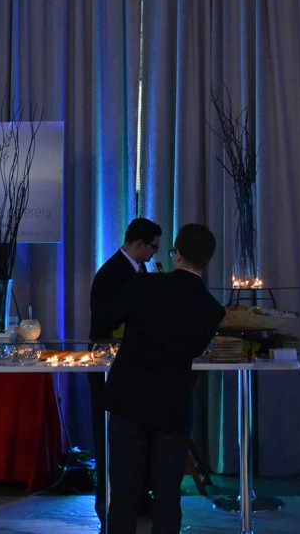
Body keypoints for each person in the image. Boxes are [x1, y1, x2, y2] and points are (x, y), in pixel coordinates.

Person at [99, 223, 226, 534]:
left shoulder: (144, 284)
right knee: (168, 497)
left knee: (124, 495)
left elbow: (108, 317)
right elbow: (193, 351)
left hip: (129, 400)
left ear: (177, 254)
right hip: (172, 406)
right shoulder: (212, 310)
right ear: (206, 260)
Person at [89, 217, 162, 531]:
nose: (155, 253)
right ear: (139, 244)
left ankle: (134, 501)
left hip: (133, 369)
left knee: (134, 440)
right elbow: (106, 321)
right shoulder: (112, 274)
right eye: (153, 247)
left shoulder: (138, 271)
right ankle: (107, 505)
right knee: (110, 441)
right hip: (111, 369)